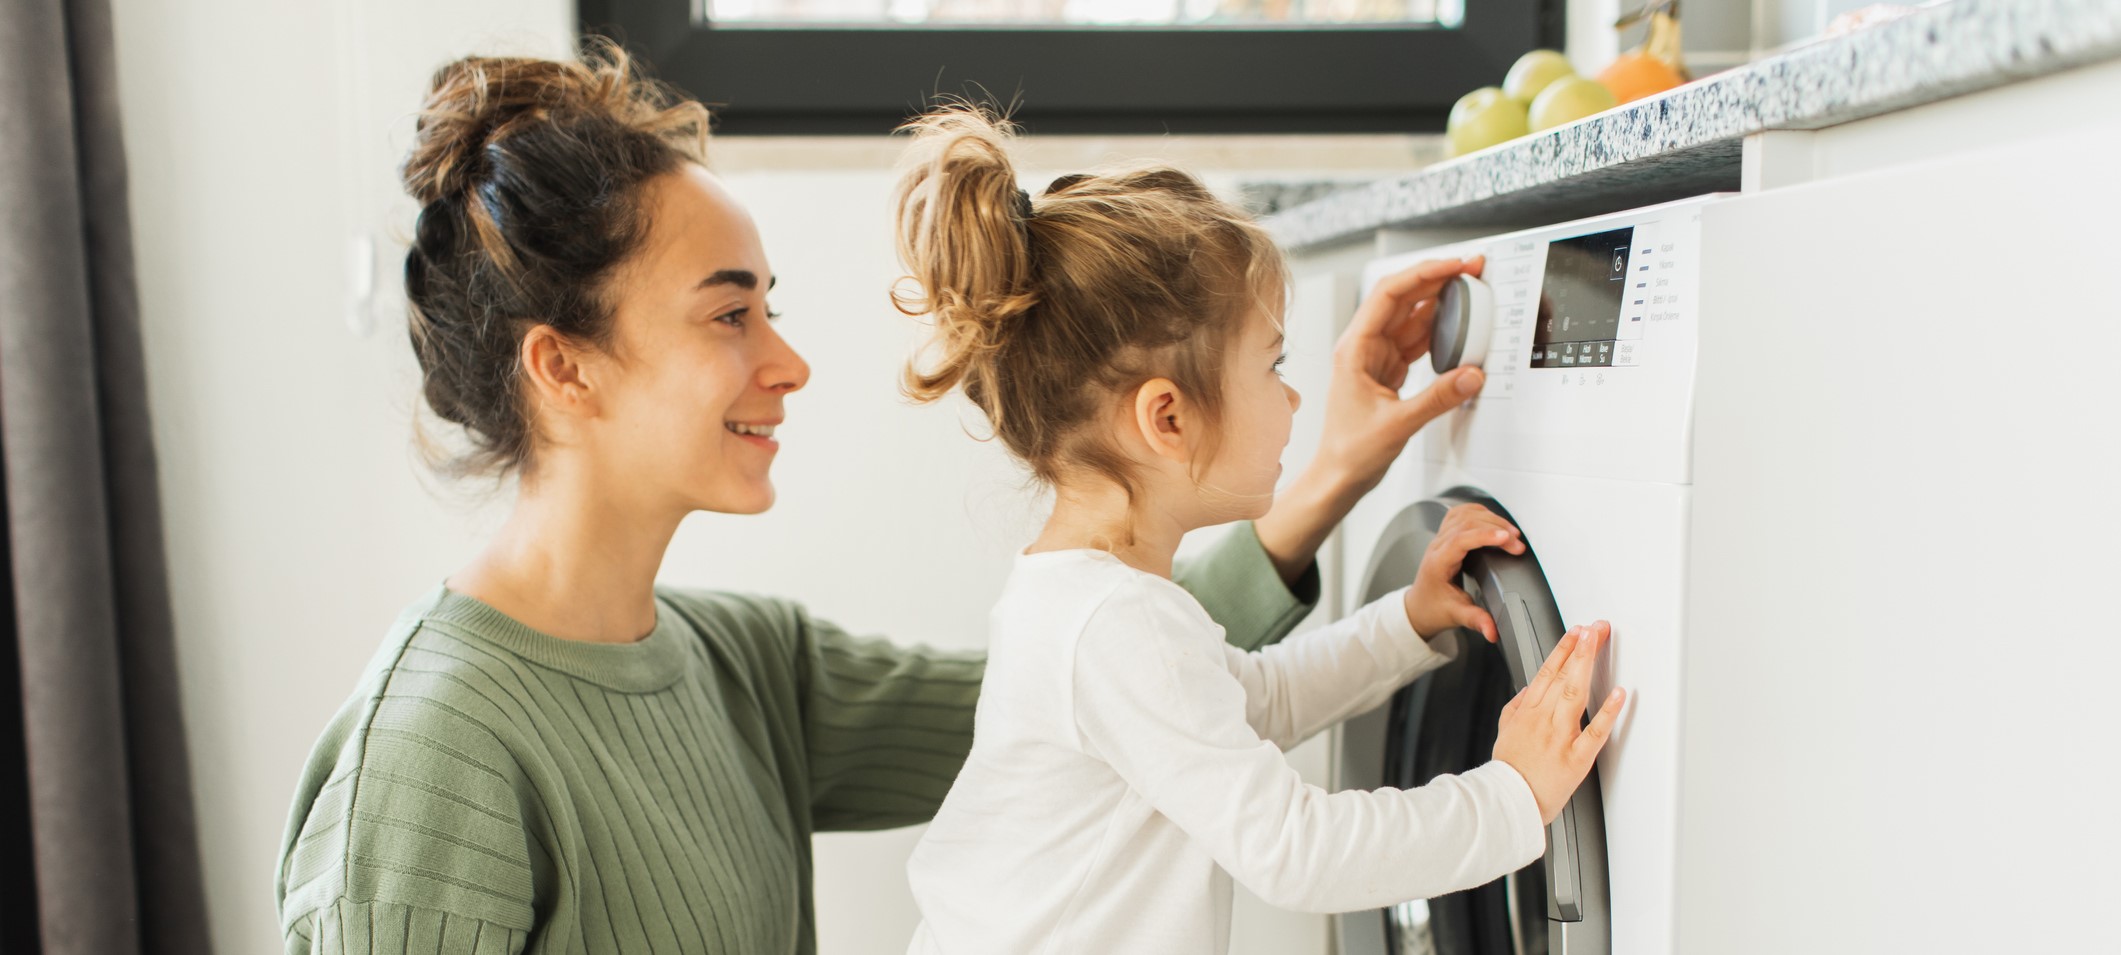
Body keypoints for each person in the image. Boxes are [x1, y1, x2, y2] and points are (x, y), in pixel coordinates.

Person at [273, 45, 1500, 955]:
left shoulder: (742, 664)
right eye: (729, 312)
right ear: (566, 367)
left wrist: (1333, 472)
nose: (790, 361)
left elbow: (1120, 713)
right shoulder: (431, 763)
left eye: (773, 306)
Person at [890, 105, 1626, 955]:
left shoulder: (1086, 598)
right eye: (1272, 364)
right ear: (1166, 419)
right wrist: (1511, 796)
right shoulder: (1115, 624)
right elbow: (1296, 853)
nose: (1293, 398)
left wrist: (1408, 622)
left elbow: (1254, 700)